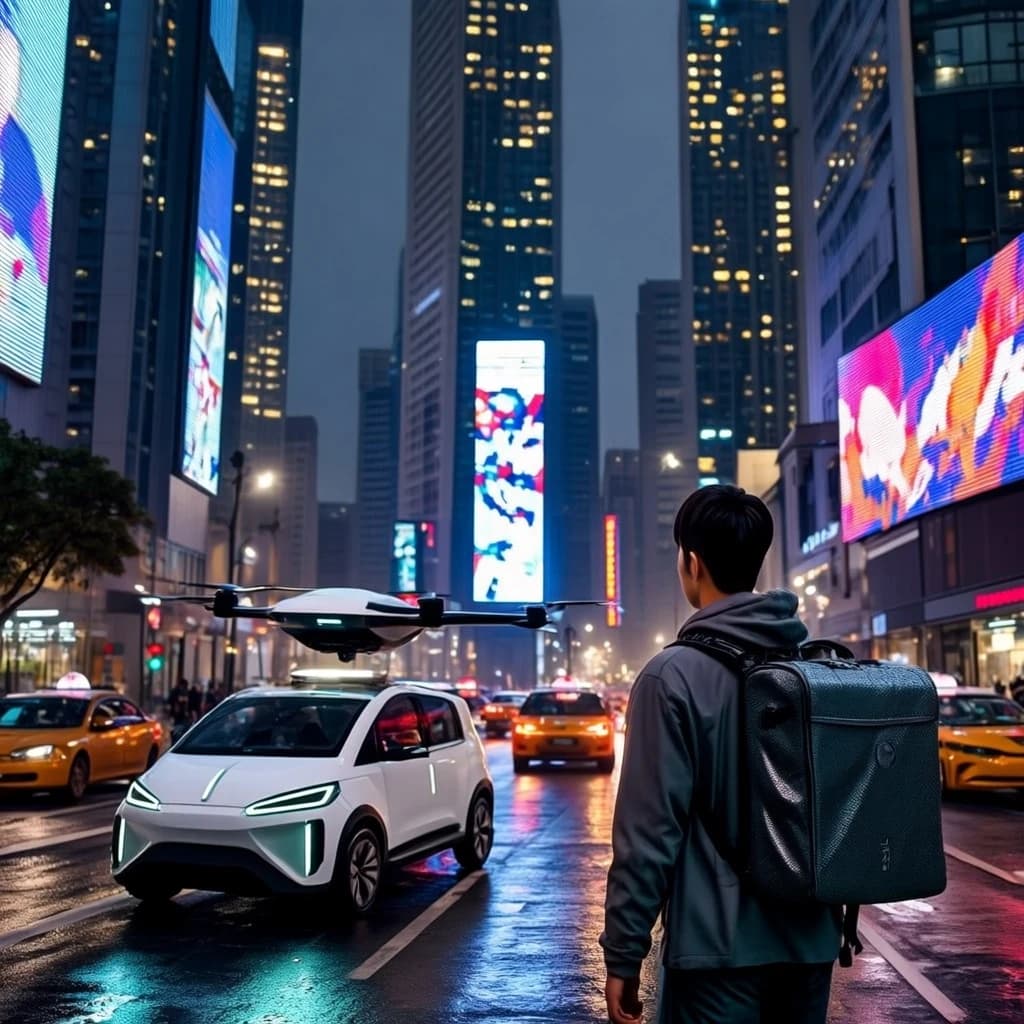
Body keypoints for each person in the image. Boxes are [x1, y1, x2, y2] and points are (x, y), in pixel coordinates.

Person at [602, 485, 842, 1024]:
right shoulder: (812, 670)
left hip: (715, 955)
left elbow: (648, 834)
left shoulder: (671, 677)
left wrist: (624, 951)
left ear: (692, 562)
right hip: (810, 944)